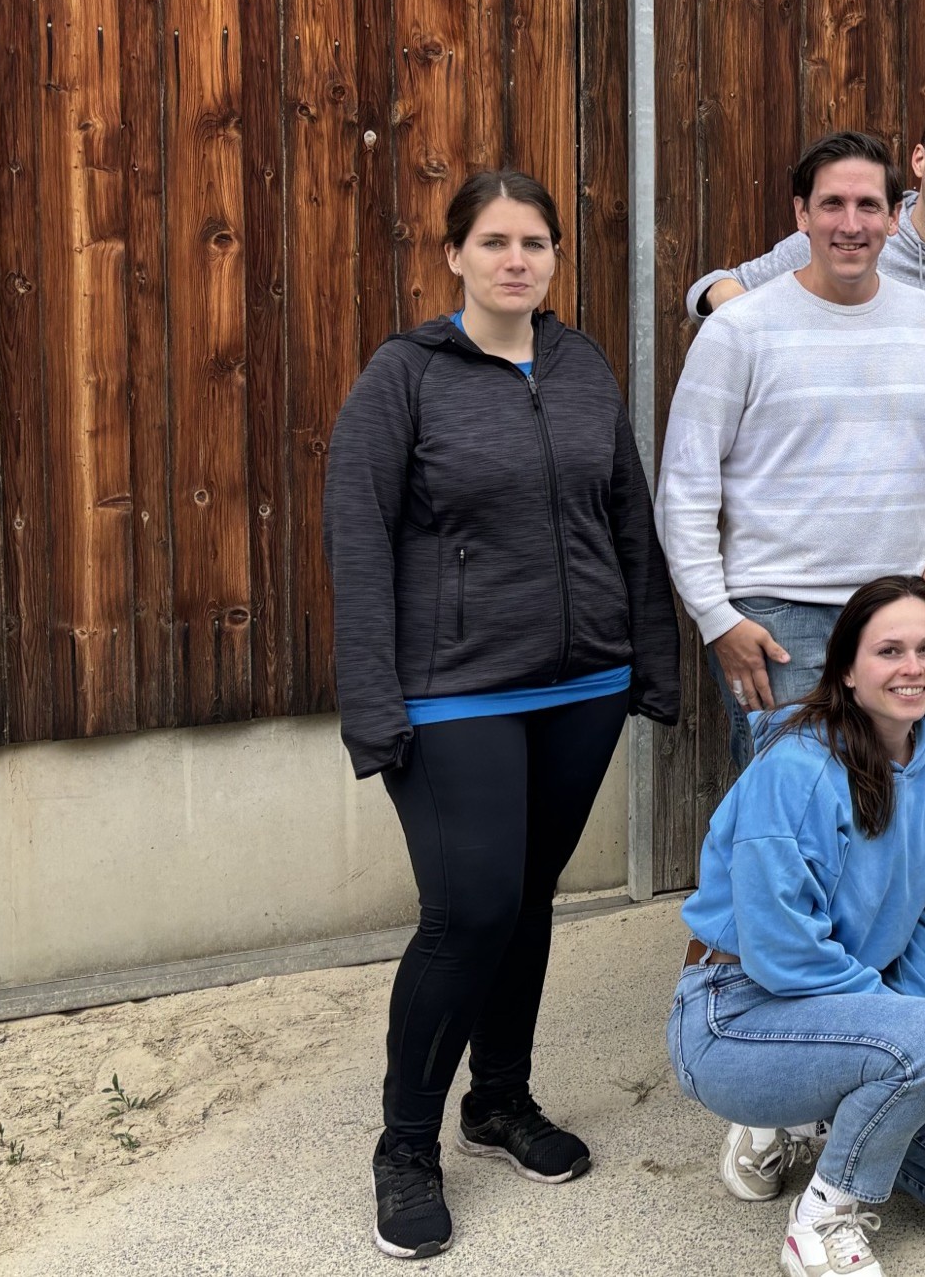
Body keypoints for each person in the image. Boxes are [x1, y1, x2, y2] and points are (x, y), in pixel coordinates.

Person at [324, 170, 681, 1260]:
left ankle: (500, 1100)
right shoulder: (404, 377)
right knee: (467, 909)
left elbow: (628, 512)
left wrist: (649, 662)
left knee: (526, 903)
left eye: (535, 241)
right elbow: (357, 542)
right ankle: (404, 1145)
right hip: (454, 693)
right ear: (456, 256)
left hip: (578, 687)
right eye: (493, 240)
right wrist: (374, 707)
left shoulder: (579, 367)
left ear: (555, 259)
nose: (515, 258)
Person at [669, 578, 925, 1277]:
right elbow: (781, 953)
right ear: (846, 668)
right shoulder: (796, 767)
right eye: (889, 650)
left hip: (856, 1011)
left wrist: (905, 1031)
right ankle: (822, 1218)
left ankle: (825, 1104)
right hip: (734, 1012)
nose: (913, 667)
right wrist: (908, 1037)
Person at [683, 95, 925, 651]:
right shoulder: (852, 231)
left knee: (921, 718)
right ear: (921, 161)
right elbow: (712, 289)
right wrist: (749, 319)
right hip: (811, 550)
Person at [657, 130, 925, 765]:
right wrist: (718, 620)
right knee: (803, 835)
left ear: (895, 216)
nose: (850, 224)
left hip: (911, 607)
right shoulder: (737, 332)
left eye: (868, 206)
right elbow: (685, 490)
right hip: (783, 622)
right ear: (801, 213)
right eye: (831, 204)